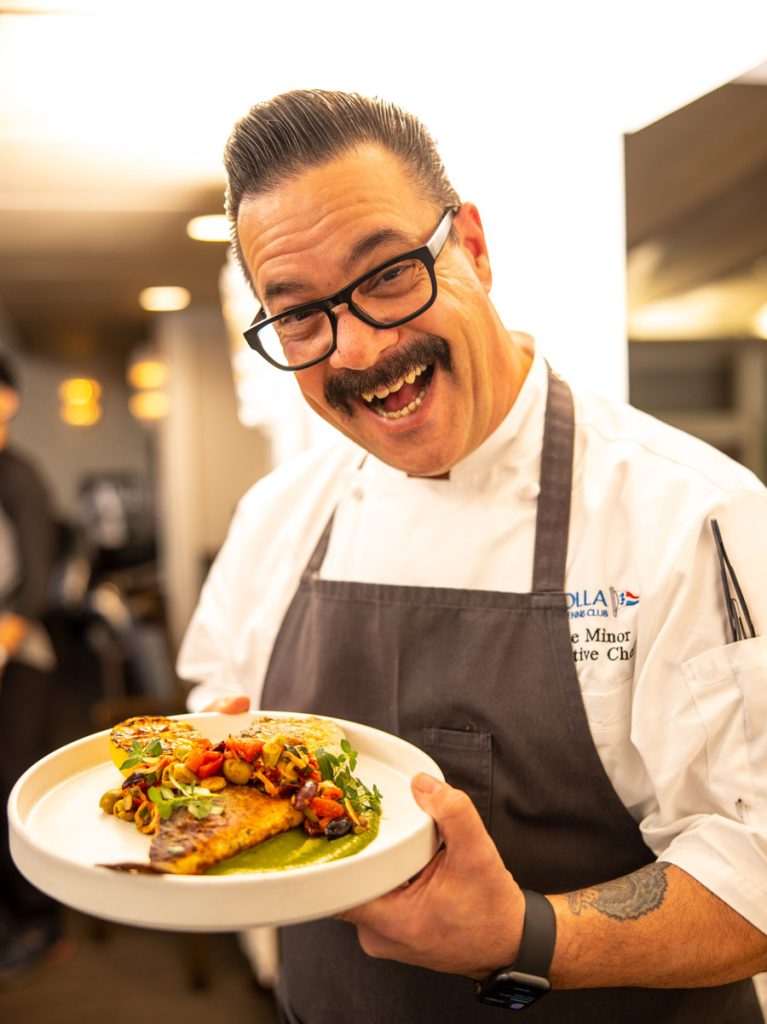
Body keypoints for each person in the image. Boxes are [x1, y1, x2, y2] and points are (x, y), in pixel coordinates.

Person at [177, 90, 767, 1022]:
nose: (363, 348)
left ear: (474, 250)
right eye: (300, 317)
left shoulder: (686, 515)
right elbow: (216, 704)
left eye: (388, 276)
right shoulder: (277, 516)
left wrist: (526, 937)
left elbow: (758, 866)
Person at [0, 354, 61, 980]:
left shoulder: (19, 476)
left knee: (13, 786)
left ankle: (40, 923)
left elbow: (36, 584)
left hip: (20, 655)